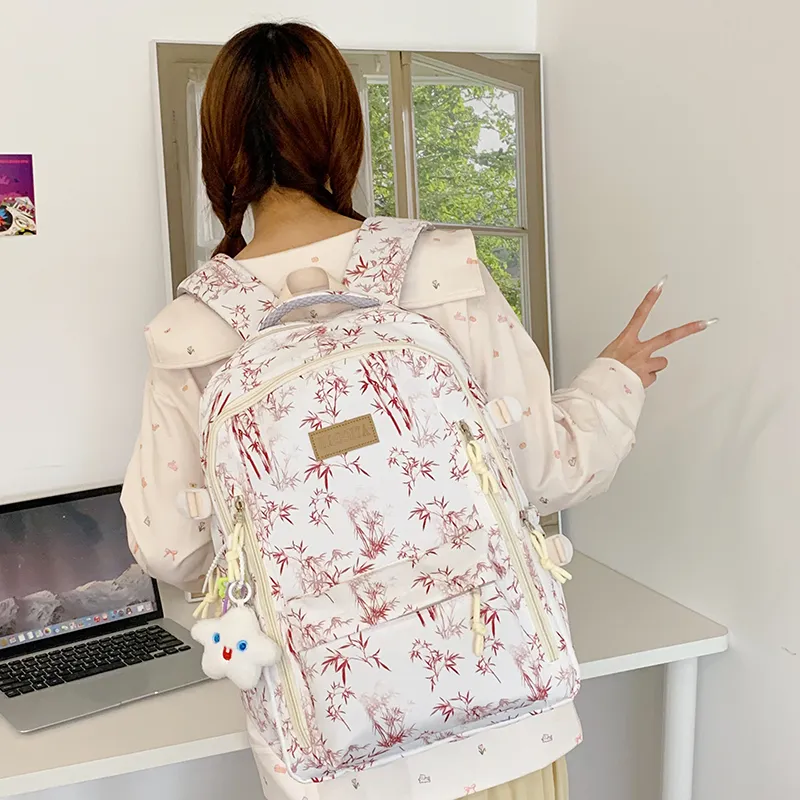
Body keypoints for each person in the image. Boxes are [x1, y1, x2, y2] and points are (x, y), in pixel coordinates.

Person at [121, 22, 713, 800]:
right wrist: (615, 380)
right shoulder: (441, 266)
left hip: (331, 754)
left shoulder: (190, 329)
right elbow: (548, 471)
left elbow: (168, 546)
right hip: (500, 718)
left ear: (220, 149)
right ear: (343, 130)